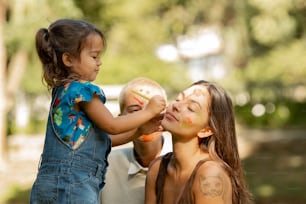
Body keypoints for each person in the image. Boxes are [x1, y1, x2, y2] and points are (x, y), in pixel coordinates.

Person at [30, 19, 166, 204]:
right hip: (74, 184)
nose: (99, 63)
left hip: (49, 183)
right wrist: (148, 112)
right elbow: (112, 125)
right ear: (68, 59)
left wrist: (139, 131)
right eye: (94, 56)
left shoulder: (62, 92)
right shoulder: (82, 91)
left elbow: (103, 141)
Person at [145, 80, 253, 204]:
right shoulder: (157, 169)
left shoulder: (210, 176)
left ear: (206, 130)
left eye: (191, 108)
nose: (176, 106)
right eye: (178, 99)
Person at [99, 77, 172, 204]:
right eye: (135, 111)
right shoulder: (104, 164)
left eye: (153, 109)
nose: (145, 118)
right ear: (120, 119)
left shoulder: (182, 162)